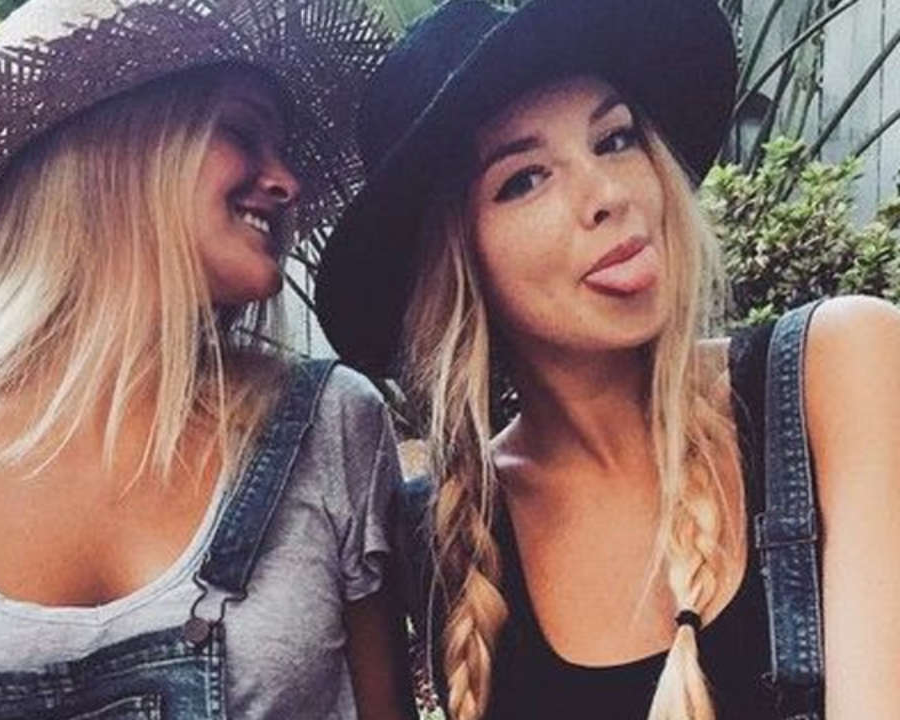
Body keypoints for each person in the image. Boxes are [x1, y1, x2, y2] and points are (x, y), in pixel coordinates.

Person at [0, 0, 419, 718]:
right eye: (240, 130)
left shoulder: (329, 428)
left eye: (281, 146)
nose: (286, 181)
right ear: (107, 154)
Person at [315, 0, 900, 718]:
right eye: (525, 179)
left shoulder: (834, 373)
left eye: (615, 139)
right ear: (456, 265)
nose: (608, 194)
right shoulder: (448, 539)